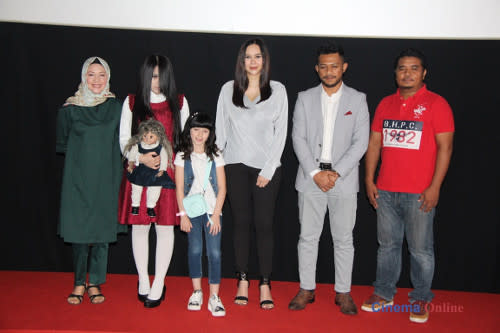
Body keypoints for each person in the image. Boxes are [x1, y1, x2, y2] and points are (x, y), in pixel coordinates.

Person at [361, 48, 454, 324]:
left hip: (420, 192)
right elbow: (375, 143)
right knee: (387, 246)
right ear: (395, 73)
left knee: (421, 249)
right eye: (402, 68)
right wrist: (369, 179)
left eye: (414, 68)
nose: (407, 73)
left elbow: (445, 148)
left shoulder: (437, 104)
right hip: (386, 190)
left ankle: (421, 299)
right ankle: (384, 293)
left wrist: (435, 187)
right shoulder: (385, 104)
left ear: (423, 73)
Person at [288, 42, 369, 315]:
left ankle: (343, 292)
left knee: (344, 238)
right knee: (307, 237)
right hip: (310, 178)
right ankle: (306, 288)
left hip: (343, 180)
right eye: (324, 66)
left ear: (344, 67)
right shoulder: (304, 97)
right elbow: (297, 138)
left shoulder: (358, 99)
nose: (329, 70)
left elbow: (361, 142)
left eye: (335, 65)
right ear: (317, 68)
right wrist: (315, 173)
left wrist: (335, 173)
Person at [215, 37, 288, 310]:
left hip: (267, 169)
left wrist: (269, 168)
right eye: (248, 57)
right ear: (241, 61)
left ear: (265, 60)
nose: (253, 61)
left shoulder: (278, 90)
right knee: (241, 224)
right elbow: (221, 131)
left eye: (258, 56)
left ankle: (265, 282)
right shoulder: (228, 89)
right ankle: (243, 279)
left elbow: (281, 132)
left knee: (265, 225)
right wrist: (216, 165)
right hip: (234, 166)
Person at [118, 54, 189, 308]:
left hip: (166, 176)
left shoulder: (179, 103)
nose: (156, 81)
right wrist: (142, 158)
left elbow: (183, 143)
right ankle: (143, 280)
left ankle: (159, 281)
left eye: (161, 76)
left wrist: (172, 169)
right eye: (152, 75)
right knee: (139, 227)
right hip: (139, 175)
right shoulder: (132, 102)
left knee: (165, 228)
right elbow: (124, 140)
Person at [56, 56, 125, 305]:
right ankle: (78, 282)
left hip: (107, 178)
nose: (96, 80)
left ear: (108, 77)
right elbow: (62, 144)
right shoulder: (69, 109)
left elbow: (124, 141)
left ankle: (95, 282)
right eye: (91, 74)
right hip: (77, 179)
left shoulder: (117, 107)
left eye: (101, 75)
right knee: (79, 233)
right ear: (84, 76)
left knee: (102, 233)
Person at [175, 112, 227, 317]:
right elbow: (179, 188)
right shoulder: (181, 155)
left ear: (210, 134)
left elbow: (222, 188)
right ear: (189, 130)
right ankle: (197, 292)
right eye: (196, 129)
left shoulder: (216, 155)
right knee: (195, 250)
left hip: (212, 211)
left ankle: (214, 296)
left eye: (204, 131)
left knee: (214, 253)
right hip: (191, 211)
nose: (199, 135)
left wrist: (216, 215)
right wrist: (183, 215)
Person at [123, 118, 175, 217]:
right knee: (136, 187)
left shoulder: (160, 148)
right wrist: (130, 165)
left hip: (154, 173)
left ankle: (151, 206)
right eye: (145, 135)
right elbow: (132, 156)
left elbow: (164, 159)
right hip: (140, 172)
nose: (147, 138)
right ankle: (135, 205)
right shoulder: (137, 146)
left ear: (158, 137)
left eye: (151, 136)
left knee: (155, 189)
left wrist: (162, 170)